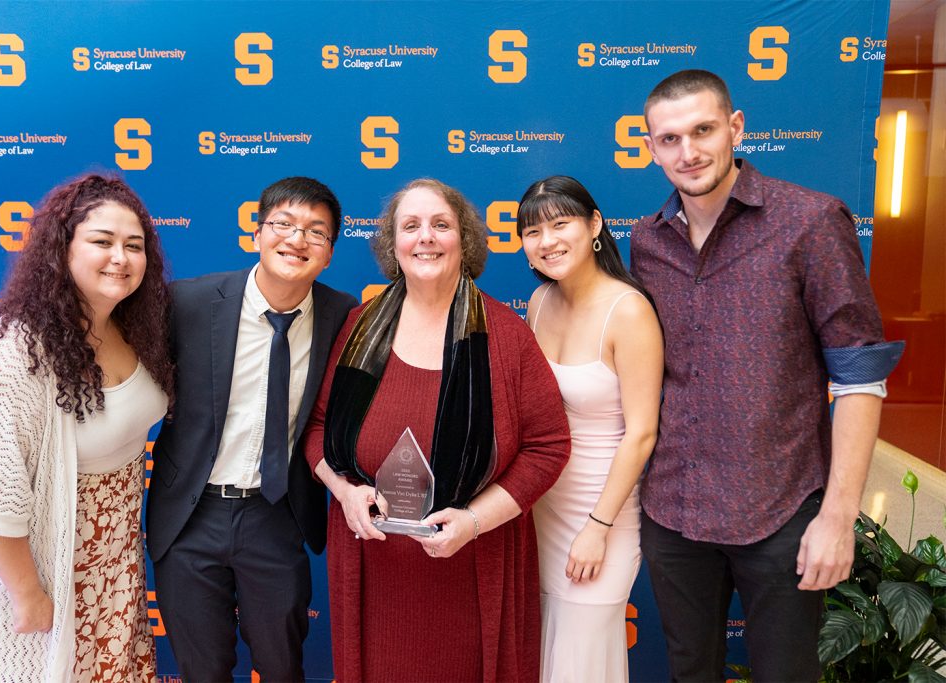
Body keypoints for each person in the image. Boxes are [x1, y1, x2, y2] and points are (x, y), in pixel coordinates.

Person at [631, 69, 904, 681]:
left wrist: (837, 517)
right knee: (689, 672)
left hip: (780, 511)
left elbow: (860, 374)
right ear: (650, 146)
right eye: (669, 138)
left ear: (735, 127)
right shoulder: (647, 242)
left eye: (703, 130)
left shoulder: (809, 221)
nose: (689, 151)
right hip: (675, 510)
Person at [303, 178, 570, 682]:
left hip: (471, 565)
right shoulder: (359, 328)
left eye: (441, 225)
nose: (425, 237)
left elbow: (548, 446)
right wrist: (344, 492)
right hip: (372, 565)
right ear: (393, 244)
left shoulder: (507, 336)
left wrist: (474, 521)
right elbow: (317, 428)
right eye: (411, 226)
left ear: (464, 240)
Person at [0, 174, 174, 682]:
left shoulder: (135, 329)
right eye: (102, 242)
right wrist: (28, 594)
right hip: (41, 573)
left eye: (134, 246)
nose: (121, 258)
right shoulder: (18, 350)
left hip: (114, 568)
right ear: (62, 249)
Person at [145, 176, 356, 682]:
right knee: (202, 669)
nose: (297, 239)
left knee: (283, 666)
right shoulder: (189, 303)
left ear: (328, 253)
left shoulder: (343, 315)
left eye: (316, 232)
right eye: (283, 224)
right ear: (257, 233)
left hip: (275, 514)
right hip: (190, 516)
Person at [518, 176, 663, 682]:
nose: (548, 240)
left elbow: (642, 432)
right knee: (540, 652)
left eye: (561, 224)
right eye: (533, 231)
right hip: (539, 507)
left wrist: (598, 529)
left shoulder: (629, 310)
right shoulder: (538, 304)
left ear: (595, 225)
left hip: (604, 510)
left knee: (581, 659)